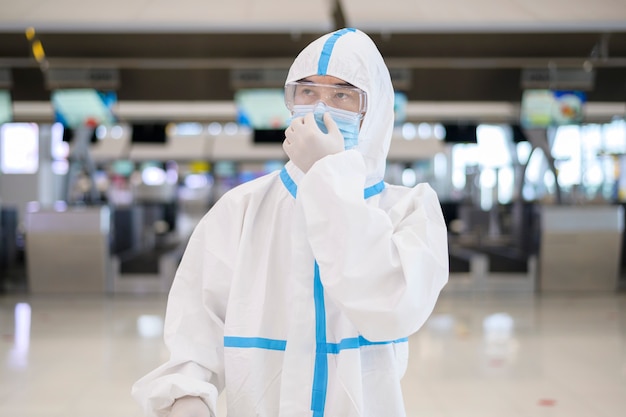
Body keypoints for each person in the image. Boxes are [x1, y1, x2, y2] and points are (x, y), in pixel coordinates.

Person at [132, 27, 449, 417]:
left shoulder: (410, 211)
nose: (320, 109)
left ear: (376, 112)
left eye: (342, 95)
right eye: (308, 92)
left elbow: (390, 308)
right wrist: (186, 397)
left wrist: (328, 176)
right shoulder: (241, 209)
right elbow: (195, 334)